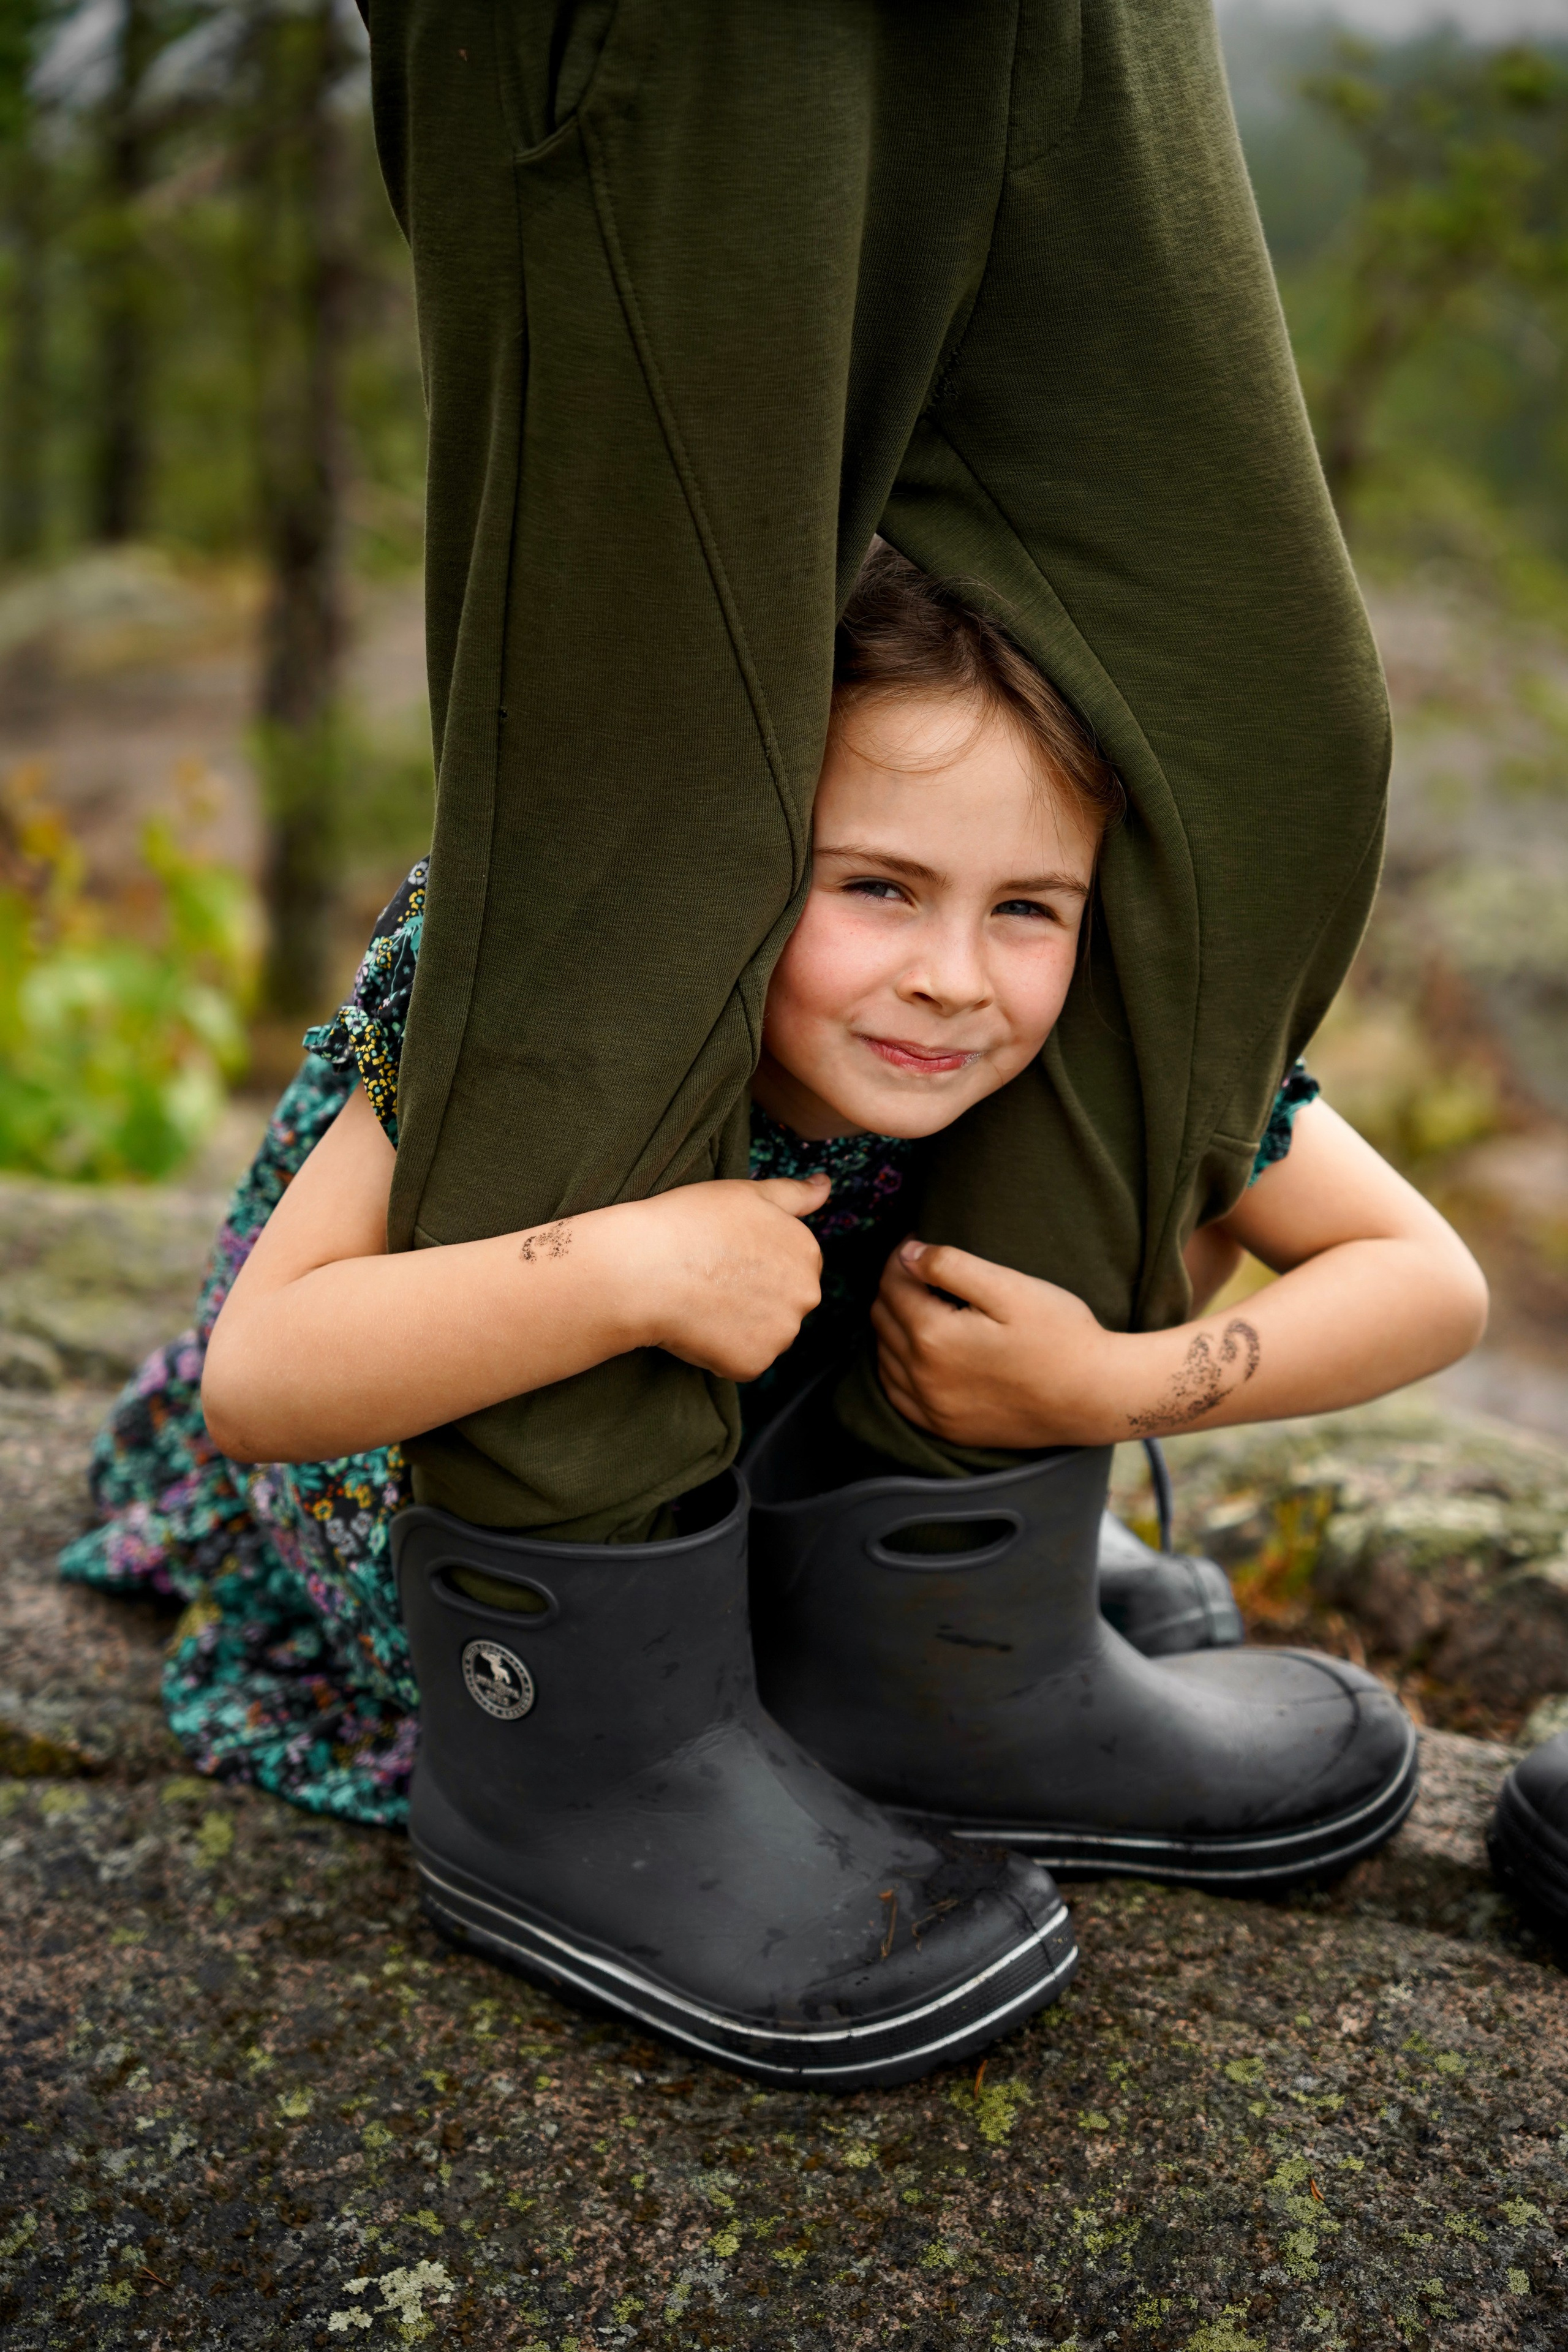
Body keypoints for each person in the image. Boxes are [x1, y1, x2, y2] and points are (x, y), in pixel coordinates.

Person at [64, 550, 1486, 2078]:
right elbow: (259, 1380)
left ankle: (901, 1614)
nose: (951, 979)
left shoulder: (1071, 1011)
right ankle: (677, 1726)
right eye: (875, 887)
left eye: (1026, 905)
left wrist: (1100, 1386)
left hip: (789, 1454)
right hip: (488, 1550)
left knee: (1161, 1186)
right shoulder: (553, 979)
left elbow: (1426, 1282)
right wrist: (624, 1268)